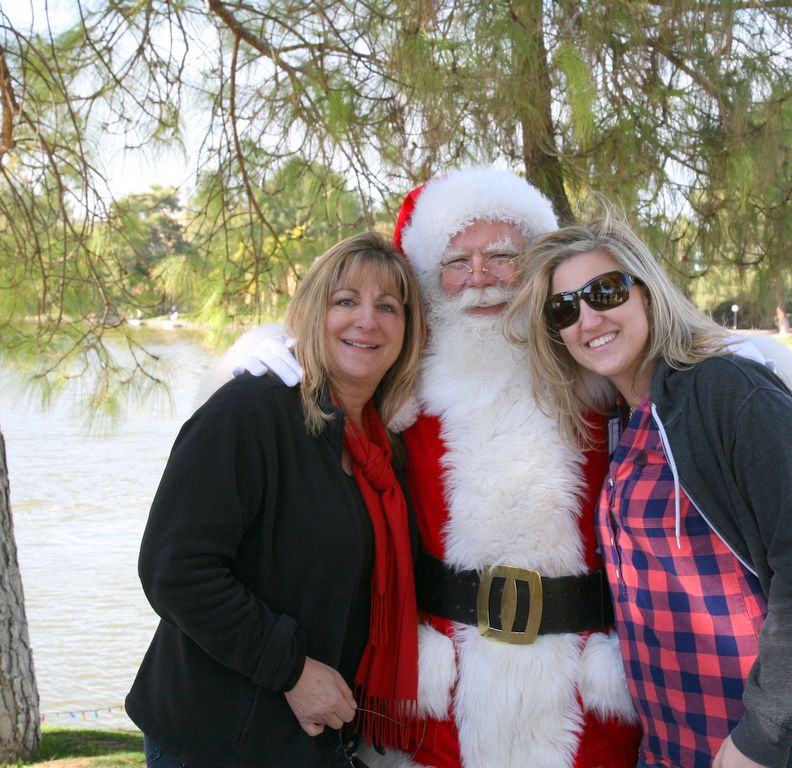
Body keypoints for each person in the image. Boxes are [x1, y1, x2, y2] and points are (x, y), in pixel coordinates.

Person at [234, 167, 645, 767]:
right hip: (444, 692)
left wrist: (726, 359)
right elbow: (330, 372)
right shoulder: (402, 380)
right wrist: (273, 359)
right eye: (457, 260)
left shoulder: (597, 360)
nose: (479, 277)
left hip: (582, 689)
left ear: (537, 261)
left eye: (503, 255)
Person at [506, 213, 792, 768]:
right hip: (672, 750)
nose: (588, 317)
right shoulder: (627, 421)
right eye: (564, 308)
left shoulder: (730, 390)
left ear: (647, 292)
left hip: (777, 751)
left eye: (605, 291)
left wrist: (761, 736)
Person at [126, 232, 426, 767]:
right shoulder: (250, 412)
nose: (367, 321)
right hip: (219, 739)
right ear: (313, 312)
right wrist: (291, 669)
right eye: (345, 301)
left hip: (315, 745)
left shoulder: (386, 445)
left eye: (388, 306)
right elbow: (175, 569)